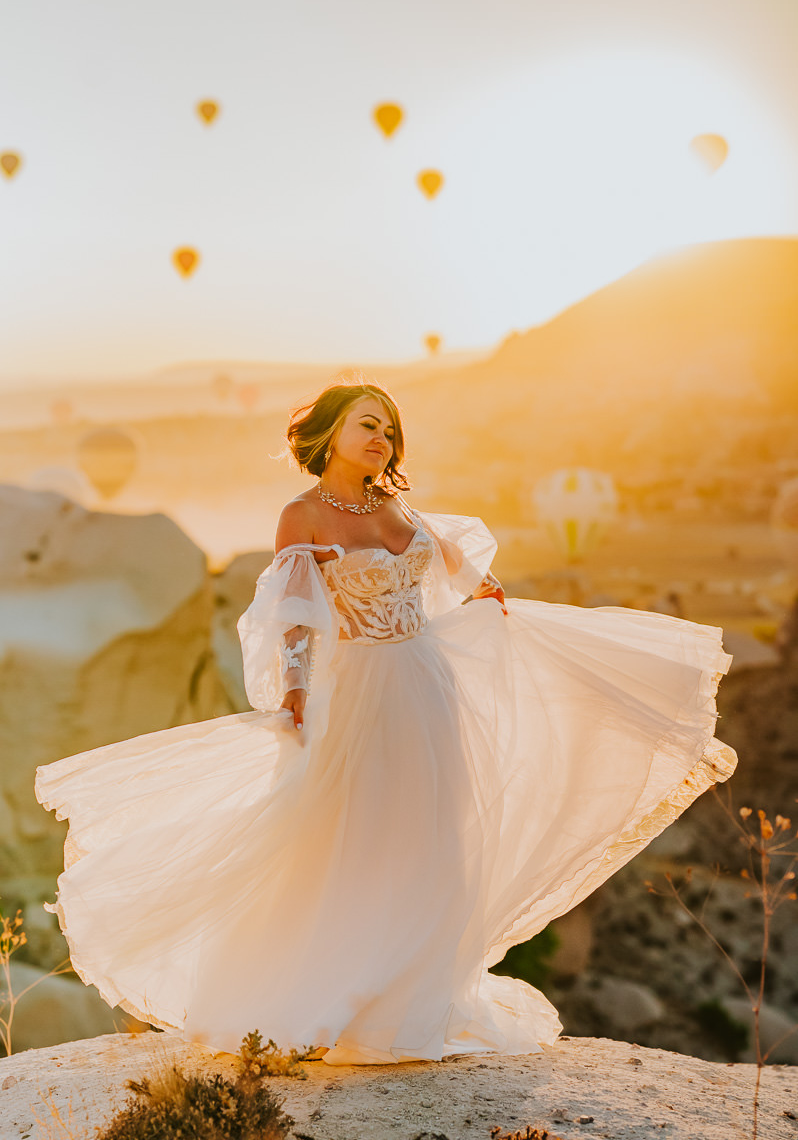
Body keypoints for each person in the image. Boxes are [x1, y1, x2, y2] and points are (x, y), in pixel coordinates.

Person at [35, 379, 737, 1066]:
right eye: (367, 424)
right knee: (354, 841)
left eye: (390, 428)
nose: (382, 438)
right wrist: (296, 688)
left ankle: (415, 1007)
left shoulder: (397, 506)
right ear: (331, 434)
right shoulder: (302, 515)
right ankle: (333, 1003)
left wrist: (488, 594)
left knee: (435, 838)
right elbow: (294, 613)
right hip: (361, 692)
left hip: (430, 685)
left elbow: (454, 567)